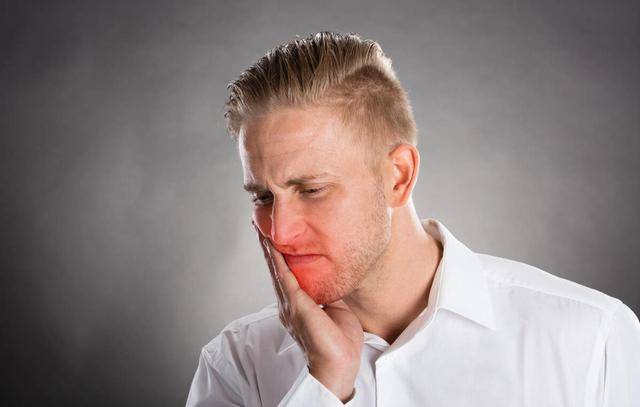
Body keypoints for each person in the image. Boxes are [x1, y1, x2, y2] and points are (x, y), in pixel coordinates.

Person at [186, 31, 640, 406]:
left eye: (312, 190)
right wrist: (324, 384)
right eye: (263, 196)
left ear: (398, 177)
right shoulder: (237, 364)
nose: (280, 231)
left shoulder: (591, 339)